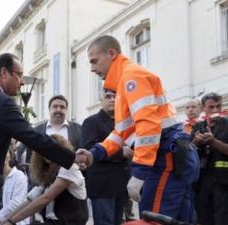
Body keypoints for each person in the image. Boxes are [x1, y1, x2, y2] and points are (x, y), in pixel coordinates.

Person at [0, 53, 90, 225]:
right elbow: (31, 136)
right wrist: (72, 156)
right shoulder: (2, 102)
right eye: (19, 75)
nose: (22, 81)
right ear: (4, 73)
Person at [83, 35, 199, 223]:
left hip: (166, 155)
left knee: (154, 218)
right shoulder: (125, 82)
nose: (92, 68)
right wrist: (94, 154)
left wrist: (139, 172)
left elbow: (149, 126)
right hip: (171, 153)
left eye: (94, 61)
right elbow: (121, 132)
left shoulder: (131, 77)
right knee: (175, 218)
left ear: (111, 54)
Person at [5, 134, 88, 225]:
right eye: (44, 150)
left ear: (61, 151)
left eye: (52, 150)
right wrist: (4, 220)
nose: (47, 153)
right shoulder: (48, 174)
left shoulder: (69, 168)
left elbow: (46, 198)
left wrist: (11, 221)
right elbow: (29, 200)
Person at [81, 89, 132, 225]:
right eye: (108, 96)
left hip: (121, 185)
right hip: (102, 186)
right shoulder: (91, 122)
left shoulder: (123, 124)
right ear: (101, 100)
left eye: (116, 97)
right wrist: (120, 153)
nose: (112, 99)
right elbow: (89, 149)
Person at [16, 94, 82, 176]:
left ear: (66, 110)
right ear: (49, 109)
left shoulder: (79, 129)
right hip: (43, 183)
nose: (58, 109)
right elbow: (29, 160)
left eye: (62, 107)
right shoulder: (37, 131)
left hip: (71, 181)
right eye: (55, 106)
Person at [191, 92, 228, 225]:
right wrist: (196, 142)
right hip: (201, 182)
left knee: (222, 220)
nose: (215, 110)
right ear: (203, 108)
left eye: (218, 106)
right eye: (211, 107)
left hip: (223, 183)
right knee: (203, 218)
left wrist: (213, 142)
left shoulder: (226, 124)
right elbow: (188, 151)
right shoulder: (198, 127)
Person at [0, 149, 29, 225]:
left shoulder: (19, 176)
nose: (1, 155)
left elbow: (15, 204)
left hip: (13, 221)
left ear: (10, 156)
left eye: (5, 152)